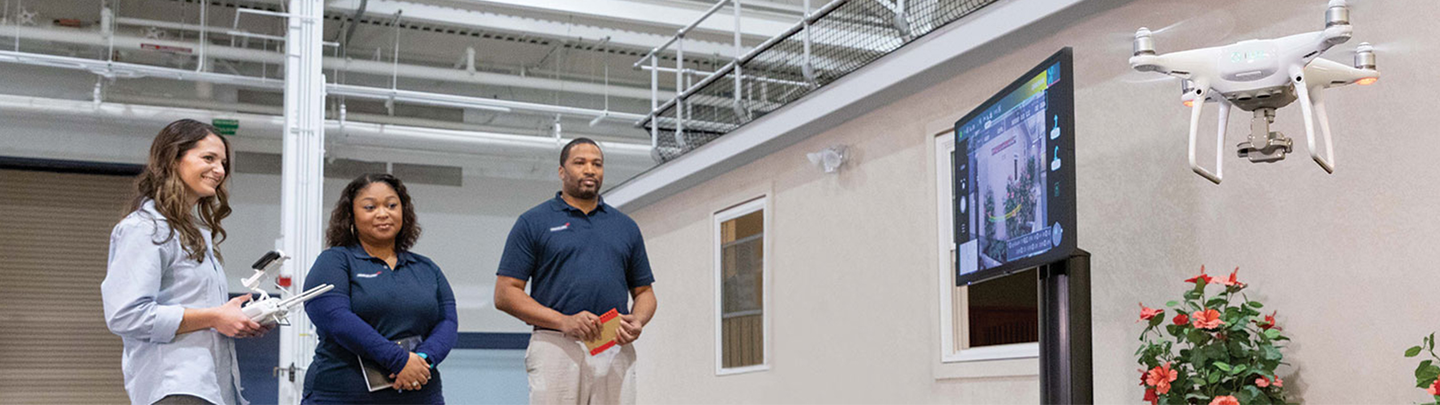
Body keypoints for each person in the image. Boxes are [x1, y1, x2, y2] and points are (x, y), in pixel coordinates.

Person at [102, 119, 270, 405]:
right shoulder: (144, 229)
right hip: (176, 387)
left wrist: (236, 319)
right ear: (173, 159)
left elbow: (202, 313)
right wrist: (215, 317)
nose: (219, 170)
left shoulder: (194, 234)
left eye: (223, 163)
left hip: (210, 388)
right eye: (208, 158)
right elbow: (125, 315)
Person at [495, 137, 658, 404]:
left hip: (613, 344)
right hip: (555, 344)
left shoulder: (625, 226)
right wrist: (564, 321)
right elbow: (505, 294)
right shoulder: (533, 222)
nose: (590, 169)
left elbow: (645, 293)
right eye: (580, 163)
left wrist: (637, 320)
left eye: (597, 164)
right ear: (562, 171)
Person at [301, 173, 457, 404]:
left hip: (420, 392)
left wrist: (423, 360)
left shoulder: (426, 267)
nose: (383, 213)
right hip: (343, 395)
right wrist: (399, 361)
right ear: (351, 216)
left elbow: (448, 322)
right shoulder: (335, 261)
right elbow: (335, 318)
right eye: (370, 207)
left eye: (391, 205)